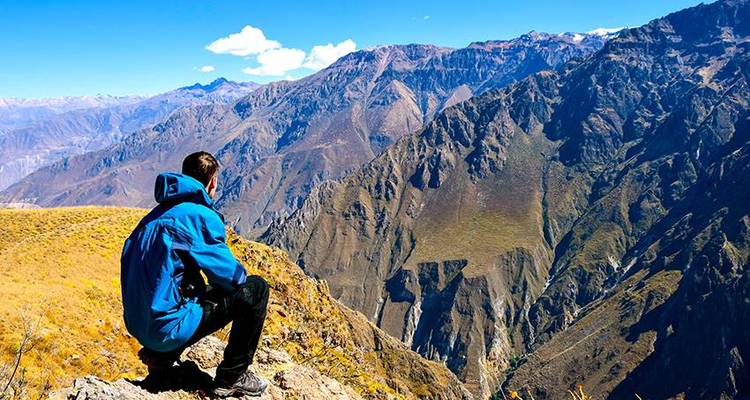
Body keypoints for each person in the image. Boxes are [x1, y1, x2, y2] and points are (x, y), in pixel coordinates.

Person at [120, 151, 269, 397]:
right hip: (165, 329)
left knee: (195, 291)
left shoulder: (154, 216)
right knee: (256, 289)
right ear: (212, 183)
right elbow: (231, 278)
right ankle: (232, 377)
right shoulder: (198, 216)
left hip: (141, 324)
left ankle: (160, 358)